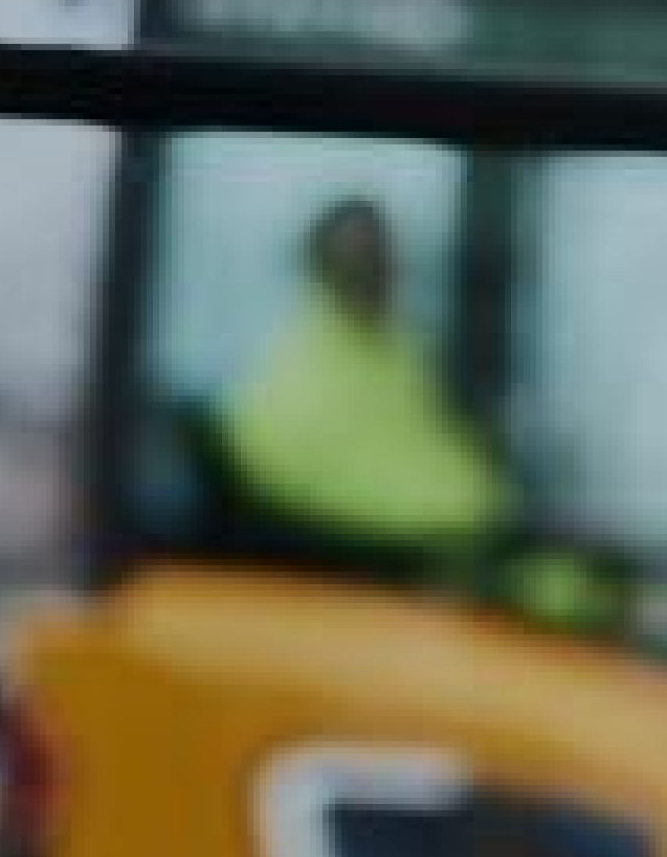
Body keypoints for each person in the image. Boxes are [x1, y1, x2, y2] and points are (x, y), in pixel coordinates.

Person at [218, 196, 510, 574]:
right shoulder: (292, 386)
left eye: (387, 259)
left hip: (471, 547)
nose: (385, 273)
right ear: (320, 267)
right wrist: (485, 522)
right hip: (413, 570)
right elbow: (350, 510)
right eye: (367, 261)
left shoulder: (398, 350)